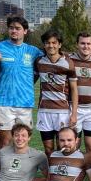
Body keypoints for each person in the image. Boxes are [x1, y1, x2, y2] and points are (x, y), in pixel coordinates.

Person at [0, 16, 43, 149]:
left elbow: (51, 56)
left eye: (18, 28)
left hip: (25, 102)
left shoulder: (33, 51)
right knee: (5, 142)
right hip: (3, 102)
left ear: (25, 31)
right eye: (11, 28)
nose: (14, 31)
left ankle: (20, 169)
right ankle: (2, 170)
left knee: (22, 141)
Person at [35, 29, 78, 157]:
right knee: (48, 149)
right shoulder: (39, 62)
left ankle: (64, 174)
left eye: (54, 42)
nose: (51, 45)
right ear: (44, 44)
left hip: (62, 111)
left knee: (63, 147)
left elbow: (74, 90)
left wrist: (74, 113)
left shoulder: (68, 63)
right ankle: (51, 175)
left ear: (59, 44)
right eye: (48, 42)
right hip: (44, 112)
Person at [69, 32, 91, 163]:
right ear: (77, 44)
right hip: (74, 108)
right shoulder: (68, 60)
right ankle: (73, 175)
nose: (85, 46)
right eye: (82, 43)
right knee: (73, 145)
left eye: (88, 43)